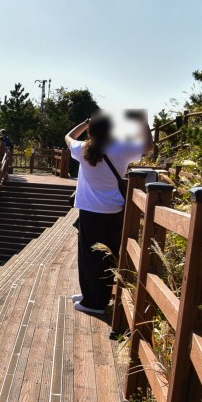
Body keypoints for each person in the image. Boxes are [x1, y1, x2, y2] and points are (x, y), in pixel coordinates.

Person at [65, 111, 153, 315]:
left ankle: (95, 303)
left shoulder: (82, 150)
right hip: (114, 211)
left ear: (92, 131)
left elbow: (68, 136)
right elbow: (148, 146)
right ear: (111, 130)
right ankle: (91, 295)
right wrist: (143, 122)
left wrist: (84, 123)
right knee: (107, 255)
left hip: (90, 212)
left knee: (89, 256)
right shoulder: (121, 148)